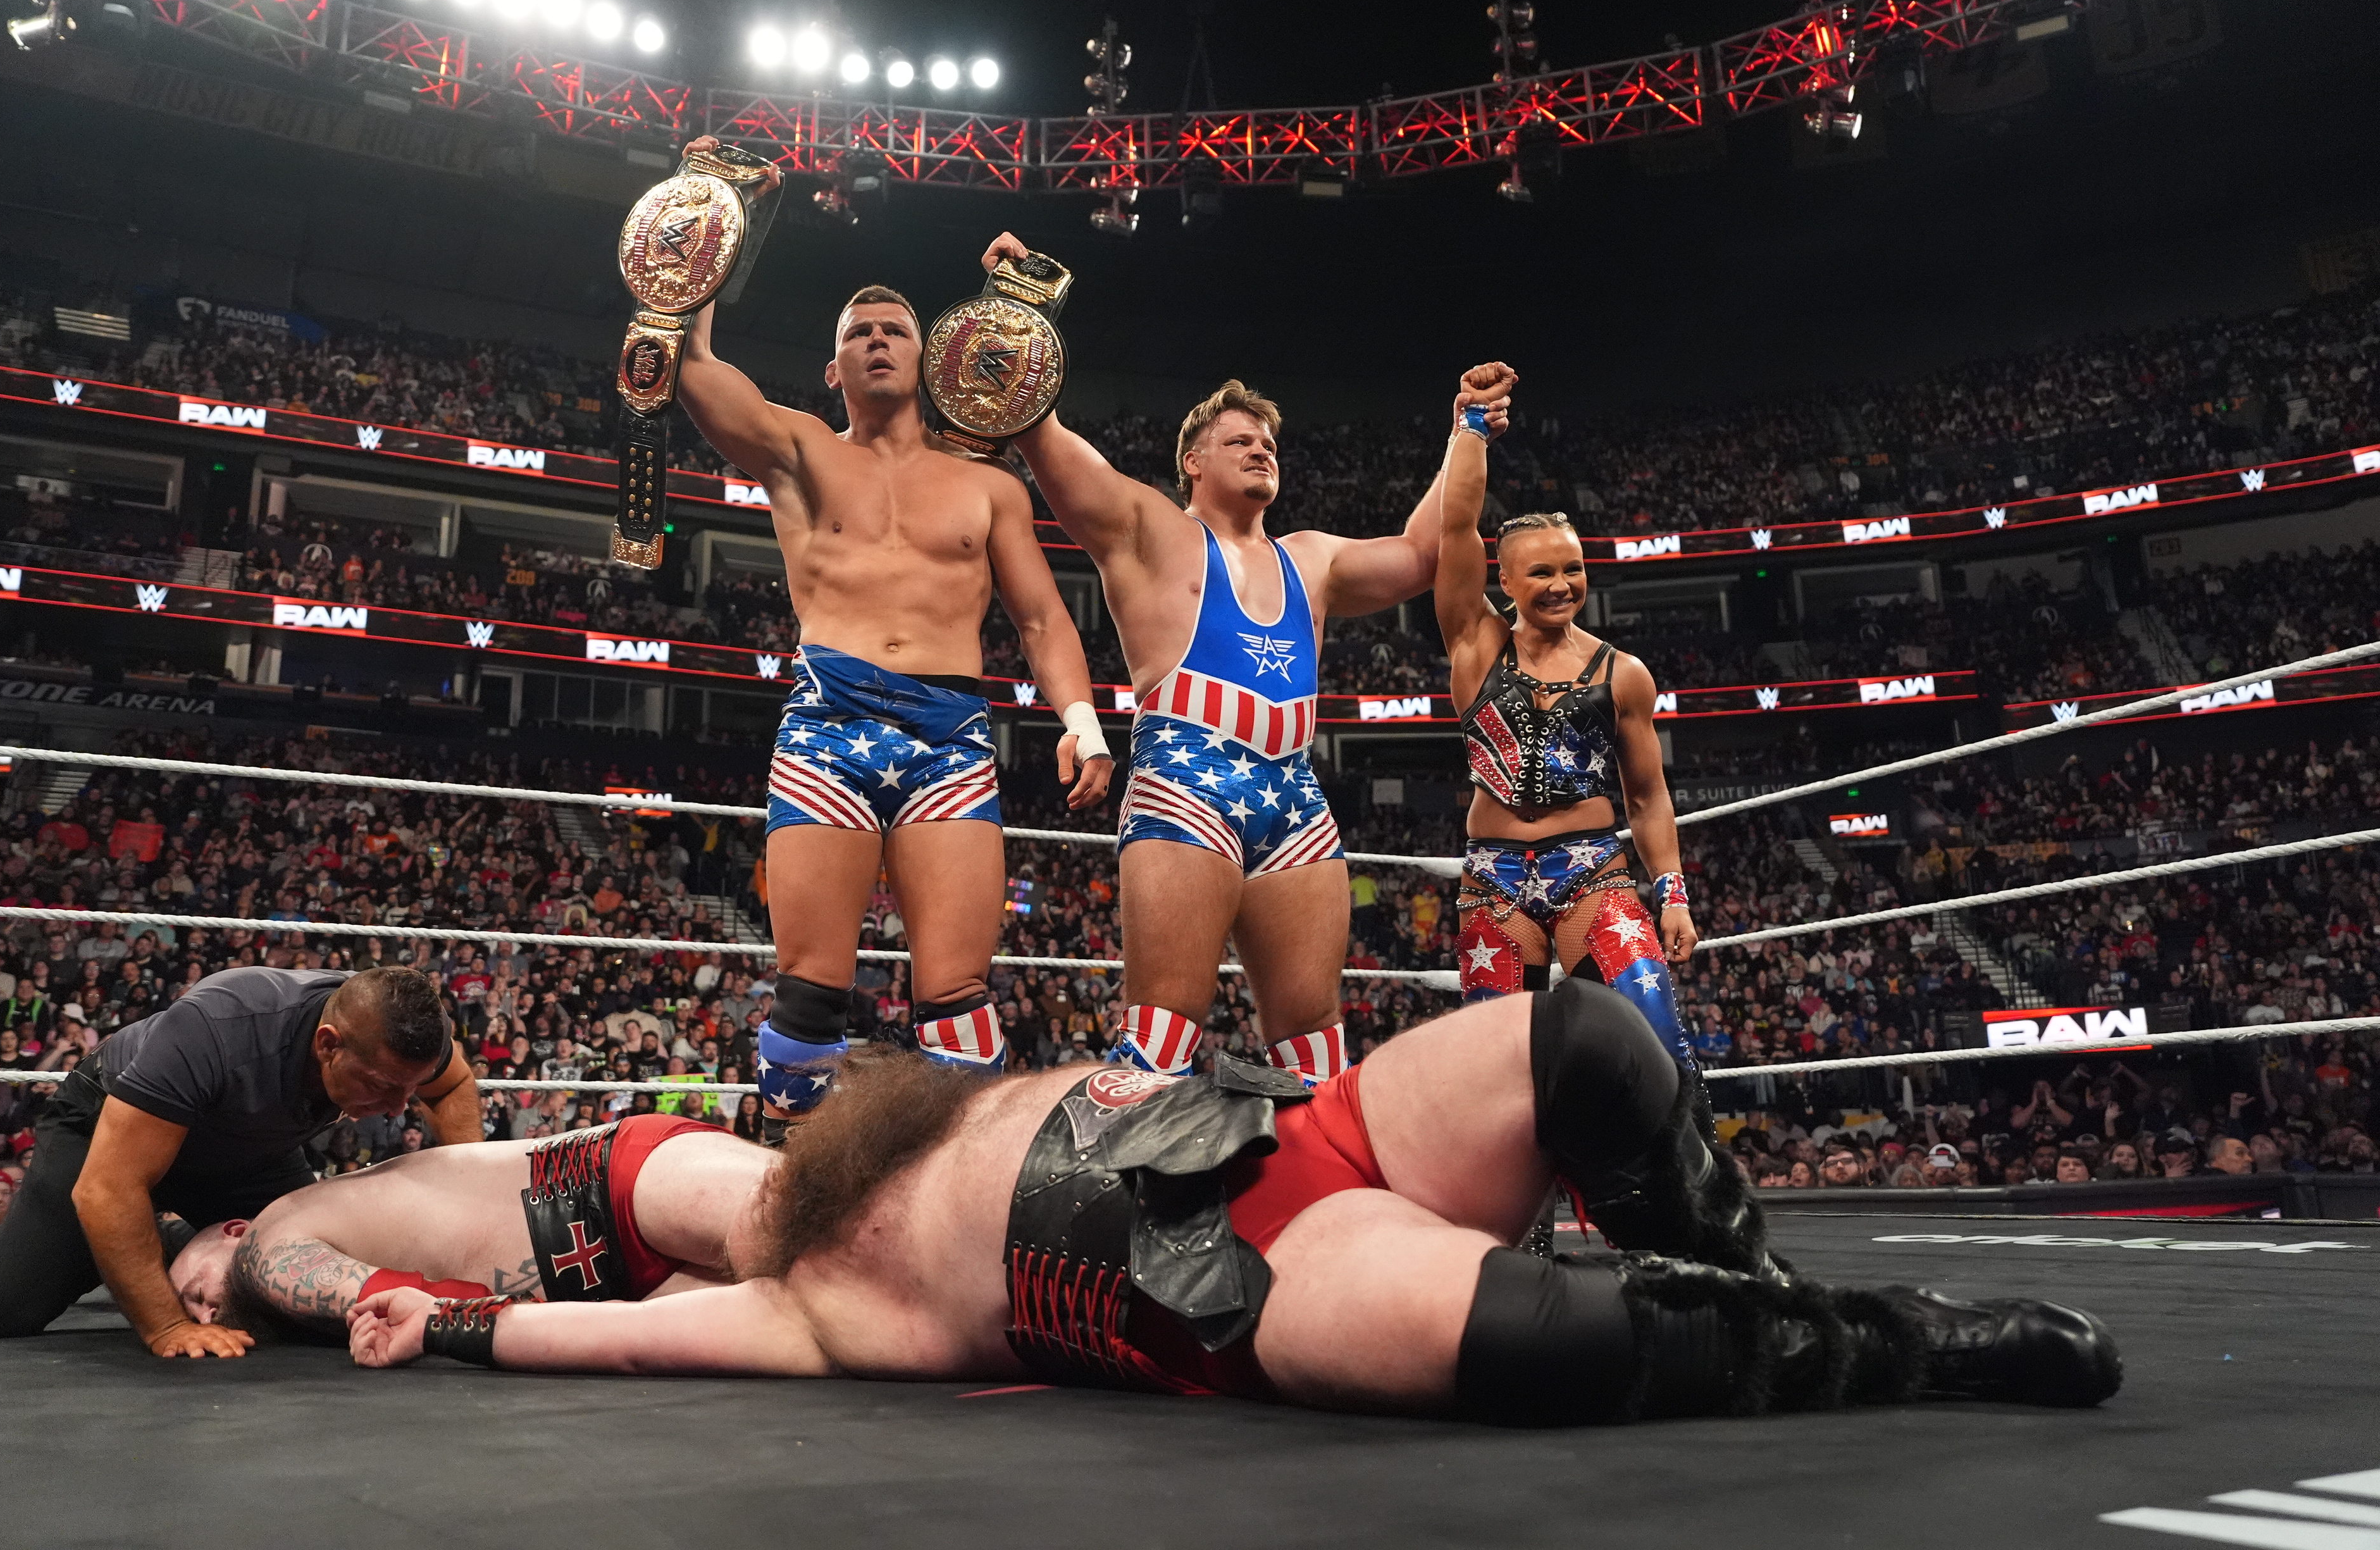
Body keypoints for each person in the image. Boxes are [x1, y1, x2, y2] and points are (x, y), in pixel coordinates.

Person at [349, 981, 2120, 1427]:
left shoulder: (918, 1101)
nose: (744, 1180)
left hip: (1310, 1125)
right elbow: (620, 1346)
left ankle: (1770, 1286)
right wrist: (458, 1326)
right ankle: (1913, 1344)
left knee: (1588, 1038)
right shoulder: (799, 1305)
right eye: (704, 1202)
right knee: (1541, 1337)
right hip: (1237, 1288)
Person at [986, 229, 1506, 1081]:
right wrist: (1014, 305)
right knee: (1162, 1032)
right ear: (1193, 462)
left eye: (1270, 444)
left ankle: (1309, 1173)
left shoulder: (1314, 558)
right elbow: (1039, 432)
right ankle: (1112, 1172)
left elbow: (1425, 554)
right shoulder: (1149, 529)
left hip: (1294, 796)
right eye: (1241, 442)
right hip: (1184, 782)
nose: (1263, 449)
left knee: (1315, 1044)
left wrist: (1469, 430)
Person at [673, 152, 1112, 1141]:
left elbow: (1043, 619)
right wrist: (709, 231)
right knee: (810, 992)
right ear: (832, 369)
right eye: (857, 333)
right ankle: (791, 1190)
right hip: (829, 722)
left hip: (950, 735)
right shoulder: (799, 450)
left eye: (895, 330)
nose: (876, 340)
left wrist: (1082, 724)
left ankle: (952, 1204)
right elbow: (693, 372)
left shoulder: (989, 485)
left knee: (958, 997)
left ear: (929, 357)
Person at [0, 965, 477, 1354]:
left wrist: (466, 1200)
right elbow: (106, 1189)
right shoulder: (221, 1027)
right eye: (381, 1087)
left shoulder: (396, 1035)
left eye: (409, 1089)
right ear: (328, 1043)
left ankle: (166, 1239)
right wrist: (166, 1326)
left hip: (249, 1154)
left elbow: (452, 1086)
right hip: (107, 1133)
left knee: (310, 1296)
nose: (398, 1108)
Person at [1432, 410, 1698, 1060]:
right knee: (1501, 1062)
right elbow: (1456, 526)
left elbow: (1647, 796)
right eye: (1542, 573)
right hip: (1494, 878)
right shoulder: (1476, 646)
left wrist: (1672, 894)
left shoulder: (1624, 672)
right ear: (1505, 581)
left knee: (1653, 1039)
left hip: (1591, 870)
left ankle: (1679, 1138)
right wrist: (1472, 428)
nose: (1561, 586)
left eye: (1573, 569)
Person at [167, 1112, 774, 1336]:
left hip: (603, 1187)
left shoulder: (269, 1248)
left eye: (195, 1291)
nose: (204, 1316)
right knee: (824, 1309)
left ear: (235, 1231)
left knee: (826, 1231)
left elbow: (425, 1306)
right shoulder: (297, 1308)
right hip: (611, 1283)